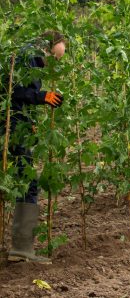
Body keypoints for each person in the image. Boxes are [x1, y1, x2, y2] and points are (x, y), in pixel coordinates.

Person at [6, 30, 65, 264]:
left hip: (15, 126)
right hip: (10, 127)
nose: (53, 65)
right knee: (27, 180)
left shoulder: (27, 55)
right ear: (44, 48)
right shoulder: (25, 57)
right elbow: (14, 91)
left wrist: (29, 121)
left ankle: (21, 248)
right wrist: (43, 97)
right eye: (54, 59)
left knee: (24, 179)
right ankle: (21, 250)